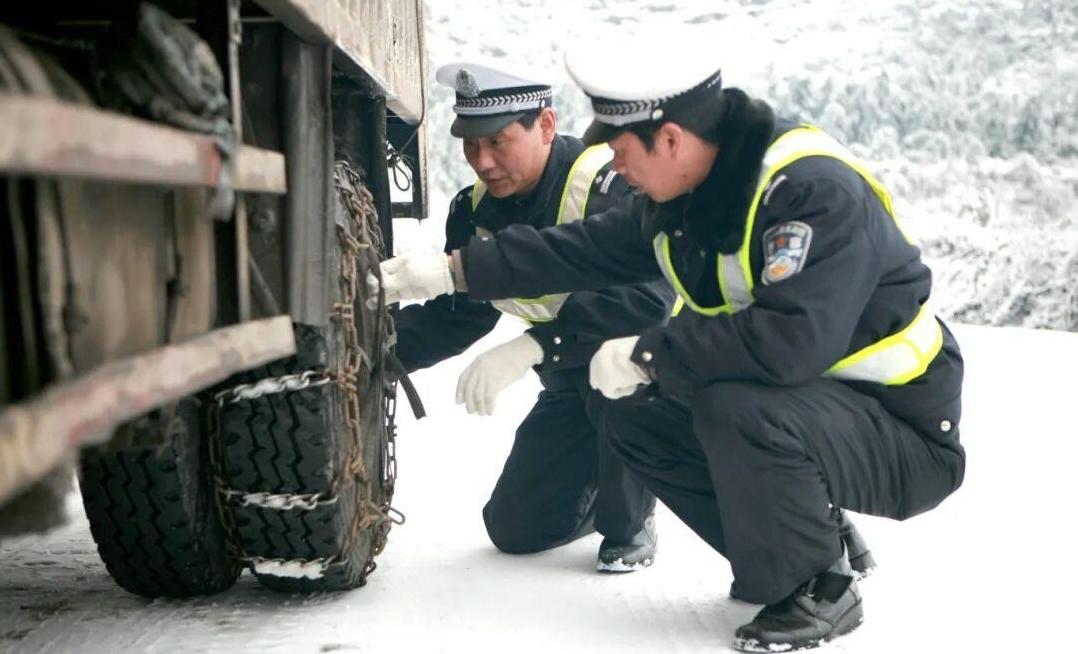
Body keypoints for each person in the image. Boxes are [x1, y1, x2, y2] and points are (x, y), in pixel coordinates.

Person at [375, 38, 965, 652]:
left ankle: (821, 585)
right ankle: (785, 556)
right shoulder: (685, 196)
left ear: (673, 141)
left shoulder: (811, 194)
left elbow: (791, 342)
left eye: (622, 152)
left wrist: (646, 354)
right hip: (810, 411)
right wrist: (455, 271)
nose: (617, 166)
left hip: (902, 428)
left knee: (732, 405)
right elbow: (579, 248)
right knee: (632, 412)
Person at [381, 60, 674, 572]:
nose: (483, 161)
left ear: (545, 125)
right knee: (516, 529)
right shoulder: (473, 209)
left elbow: (648, 301)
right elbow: (459, 316)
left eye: (498, 142)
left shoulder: (608, 188)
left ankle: (633, 514)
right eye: (471, 145)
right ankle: (608, 488)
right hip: (567, 382)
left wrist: (534, 346)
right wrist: (377, 353)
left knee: (620, 391)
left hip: (648, 375)